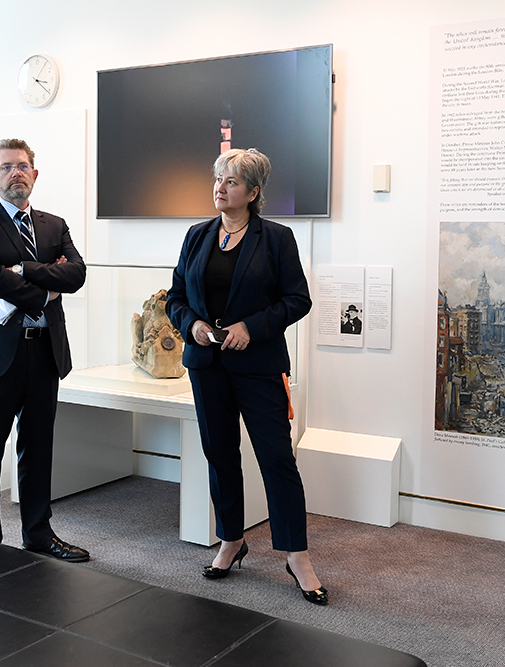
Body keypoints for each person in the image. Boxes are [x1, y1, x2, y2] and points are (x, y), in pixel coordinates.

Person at [166, 148, 327, 605]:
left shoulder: (276, 238)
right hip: (207, 365)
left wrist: (249, 328)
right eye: (218, 179)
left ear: (253, 192)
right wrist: (192, 325)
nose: (220, 188)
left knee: (276, 459)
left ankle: (297, 556)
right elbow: (175, 297)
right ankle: (231, 540)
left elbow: (297, 300)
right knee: (220, 455)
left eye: (232, 181)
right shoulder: (197, 235)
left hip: (258, 366)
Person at [0, 139, 88, 561]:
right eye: (7, 167)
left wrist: (23, 269)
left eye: (23, 166)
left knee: (38, 449)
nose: (16, 173)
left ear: (35, 174)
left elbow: (76, 274)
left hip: (44, 351)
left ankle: (39, 535)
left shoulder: (54, 225)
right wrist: (45, 292)